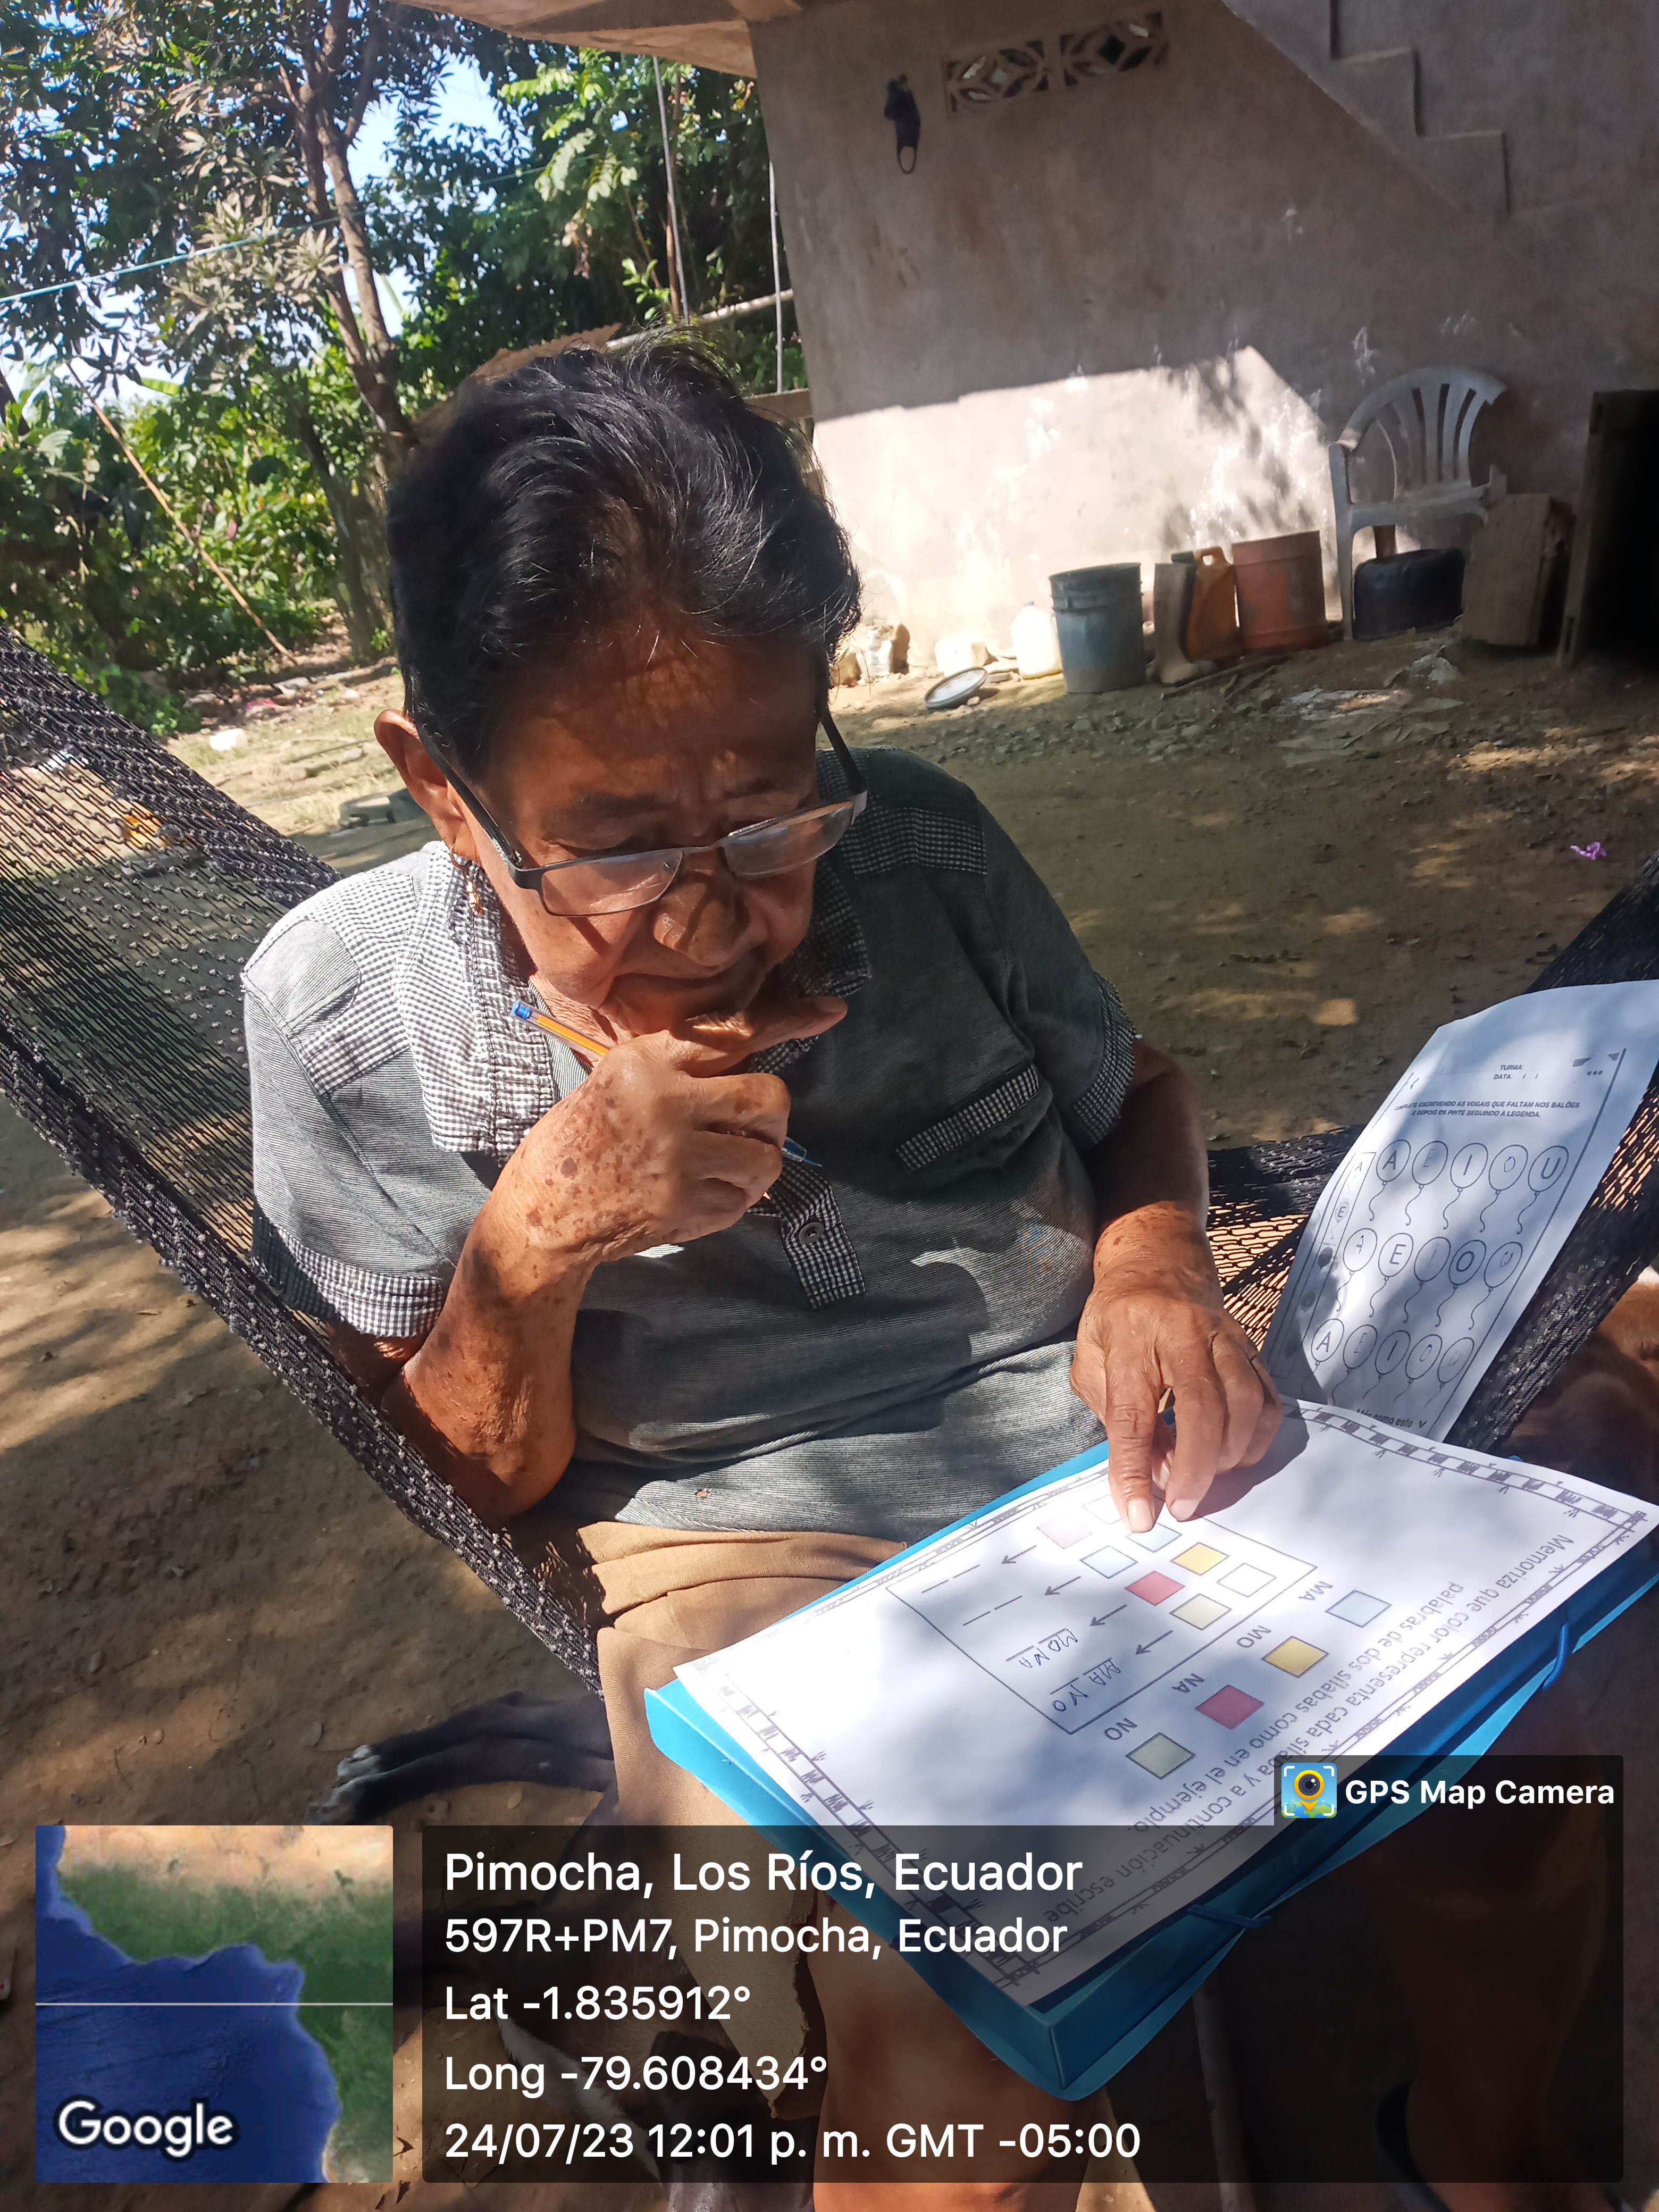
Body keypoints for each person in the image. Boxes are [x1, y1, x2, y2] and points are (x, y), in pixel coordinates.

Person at [240, 339, 1278, 2208]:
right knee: (945, 2002)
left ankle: (1486, 2157)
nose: (718, 917)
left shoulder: (930, 852)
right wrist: (538, 1233)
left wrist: (1151, 1261)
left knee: (1535, 1692)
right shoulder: (340, 1022)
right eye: (622, 851)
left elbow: (1140, 1096)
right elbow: (462, 1478)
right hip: (730, 1533)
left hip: (1097, 1456)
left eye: (773, 813)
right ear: (446, 791)